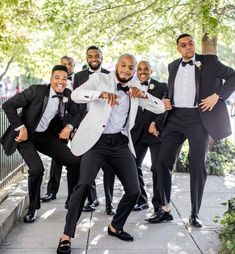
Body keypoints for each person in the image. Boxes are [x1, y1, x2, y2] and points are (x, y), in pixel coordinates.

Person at [56, 54, 166, 254]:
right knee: (83, 185)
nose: (126, 70)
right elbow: (75, 95)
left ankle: (116, 226)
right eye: (123, 66)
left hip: (120, 143)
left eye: (130, 68)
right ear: (117, 65)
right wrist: (101, 94)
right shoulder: (101, 79)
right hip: (96, 142)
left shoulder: (136, 86)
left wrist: (143, 96)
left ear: (134, 70)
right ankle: (66, 235)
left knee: (134, 191)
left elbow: (160, 107)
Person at [146, 33, 235, 227]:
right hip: (175, 119)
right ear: (178, 48)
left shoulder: (209, 62)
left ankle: (195, 213)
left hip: (199, 119)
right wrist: (167, 100)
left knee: (197, 166)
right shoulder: (172, 66)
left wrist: (218, 96)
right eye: (183, 45)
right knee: (161, 163)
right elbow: (173, 90)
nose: (188, 47)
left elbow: (233, 76)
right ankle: (165, 208)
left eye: (191, 43)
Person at [0, 65, 82, 223]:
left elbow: (77, 112)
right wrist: (20, 127)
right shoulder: (36, 90)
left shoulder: (67, 95)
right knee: (37, 169)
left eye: (64, 79)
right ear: (51, 78)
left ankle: (72, 200)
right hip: (26, 137)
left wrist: (69, 127)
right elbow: (7, 105)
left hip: (46, 137)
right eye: (57, 77)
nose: (60, 81)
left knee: (75, 162)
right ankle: (32, 208)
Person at [74, 45, 116, 215]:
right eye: (90, 56)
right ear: (86, 58)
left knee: (109, 168)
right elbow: (75, 103)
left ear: (102, 57)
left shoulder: (110, 76)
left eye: (97, 56)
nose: (94, 58)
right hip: (86, 126)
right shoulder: (78, 76)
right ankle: (93, 199)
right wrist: (74, 126)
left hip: (105, 127)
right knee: (87, 165)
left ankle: (110, 202)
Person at [41, 57, 77, 209]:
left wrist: (73, 127)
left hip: (76, 126)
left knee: (80, 160)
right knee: (57, 159)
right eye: (64, 64)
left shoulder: (80, 80)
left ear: (74, 66)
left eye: (69, 64)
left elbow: (80, 109)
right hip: (58, 128)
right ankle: (51, 191)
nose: (67, 67)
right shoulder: (55, 83)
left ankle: (80, 196)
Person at [131, 60, 167, 211]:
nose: (143, 71)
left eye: (146, 69)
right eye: (139, 69)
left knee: (157, 168)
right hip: (136, 133)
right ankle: (142, 200)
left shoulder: (162, 86)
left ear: (151, 71)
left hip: (155, 133)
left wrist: (156, 123)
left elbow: (166, 106)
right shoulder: (130, 87)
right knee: (133, 166)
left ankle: (158, 205)